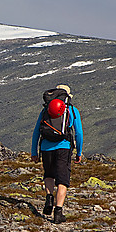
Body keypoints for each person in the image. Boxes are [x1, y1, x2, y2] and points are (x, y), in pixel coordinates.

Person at [31, 84, 83, 224]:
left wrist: (34, 152)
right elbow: (78, 133)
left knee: (49, 175)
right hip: (64, 148)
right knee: (62, 180)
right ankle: (58, 212)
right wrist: (79, 151)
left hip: (46, 148)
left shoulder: (45, 110)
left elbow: (37, 131)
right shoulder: (72, 110)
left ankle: (49, 198)